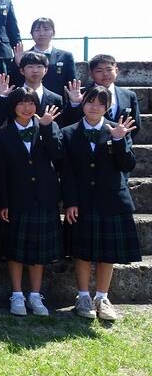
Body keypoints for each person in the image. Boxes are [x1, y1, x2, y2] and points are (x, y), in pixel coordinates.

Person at [62, 86, 140, 321]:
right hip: (82, 201)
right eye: (90, 102)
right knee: (82, 252)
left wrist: (118, 140)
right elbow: (66, 172)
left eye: (100, 104)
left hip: (112, 200)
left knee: (108, 253)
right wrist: (70, 201)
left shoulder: (118, 129)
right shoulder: (68, 132)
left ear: (107, 108)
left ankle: (102, 298)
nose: (94, 107)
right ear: (83, 103)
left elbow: (128, 165)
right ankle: (83, 297)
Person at [0, 88, 64, 316]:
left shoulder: (48, 126)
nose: (27, 108)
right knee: (15, 249)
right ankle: (17, 294)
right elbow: (0, 173)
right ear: (13, 106)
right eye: (21, 103)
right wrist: (3, 202)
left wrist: (46, 127)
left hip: (44, 197)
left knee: (39, 251)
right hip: (17, 199)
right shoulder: (3, 134)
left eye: (31, 103)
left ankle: (35, 295)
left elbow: (58, 154)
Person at [64, 54, 142, 138]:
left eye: (109, 69)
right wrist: (75, 104)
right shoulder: (81, 95)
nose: (105, 74)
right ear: (91, 73)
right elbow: (70, 123)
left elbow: (135, 125)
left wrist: (121, 140)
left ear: (116, 71)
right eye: (99, 71)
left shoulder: (129, 95)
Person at [0, 52, 63, 128]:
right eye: (30, 67)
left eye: (39, 67)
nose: (35, 70)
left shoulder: (56, 99)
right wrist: (3, 96)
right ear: (22, 71)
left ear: (46, 70)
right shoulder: (12, 95)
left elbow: (60, 127)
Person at [12, 17, 75, 97]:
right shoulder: (21, 56)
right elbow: (14, 83)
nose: (41, 33)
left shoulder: (66, 56)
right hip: (29, 102)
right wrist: (19, 64)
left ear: (53, 33)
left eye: (46, 29)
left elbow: (72, 85)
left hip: (56, 102)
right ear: (31, 34)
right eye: (37, 30)